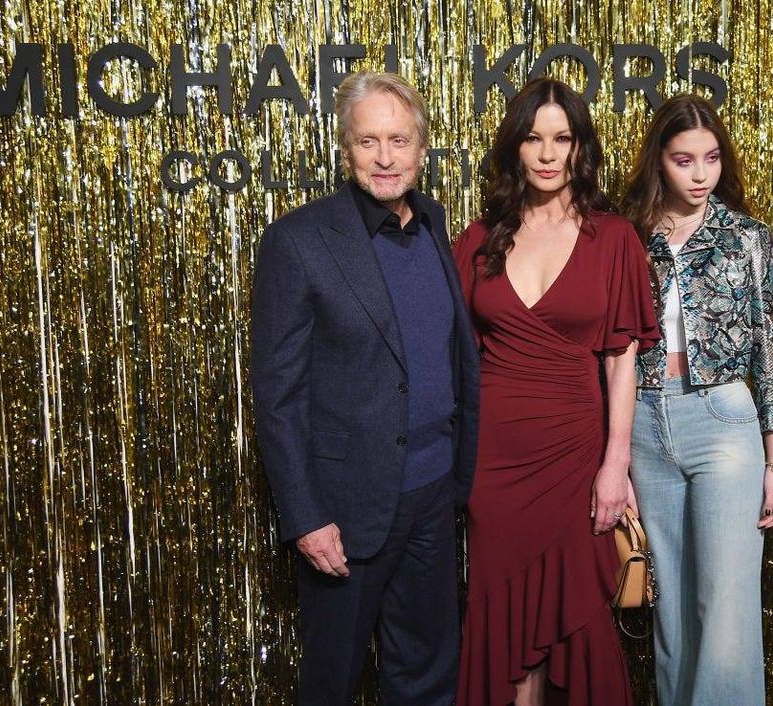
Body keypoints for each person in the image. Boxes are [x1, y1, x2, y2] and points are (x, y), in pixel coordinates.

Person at [250, 71, 480, 705]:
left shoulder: (433, 225)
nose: (385, 157)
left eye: (399, 141)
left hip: (434, 495)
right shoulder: (299, 241)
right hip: (346, 511)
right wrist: (305, 516)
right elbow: (277, 396)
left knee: (429, 675)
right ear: (346, 149)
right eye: (368, 141)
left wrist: (457, 481)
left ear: (422, 148)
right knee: (332, 681)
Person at [453, 77, 659, 706]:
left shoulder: (614, 238)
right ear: (515, 148)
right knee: (507, 616)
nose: (547, 153)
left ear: (579, 149)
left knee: (575, 616)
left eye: (561, 139)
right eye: (533, 138)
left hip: (576, 453)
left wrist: (615, 463)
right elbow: (451, 356)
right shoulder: (477, 239)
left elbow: (621, 362)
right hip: (495, 459)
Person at [620, 94, 773, 706]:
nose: (700, 174)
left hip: (723, 420)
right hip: (644, 419)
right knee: (674, 618)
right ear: (659, 163)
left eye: (712, 159)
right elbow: (607, 349)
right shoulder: (627, 237)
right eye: (684, 160)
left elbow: (768, 351)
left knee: (725, 612)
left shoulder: (746, 238)